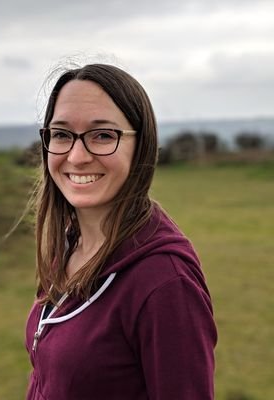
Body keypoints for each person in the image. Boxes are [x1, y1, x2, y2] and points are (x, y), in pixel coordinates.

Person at [25, 63, 217, 400]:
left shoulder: (165, 282)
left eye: (102, 135)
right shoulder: (73, 243)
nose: (77, 156)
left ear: (140, 145)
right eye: (61, 134)